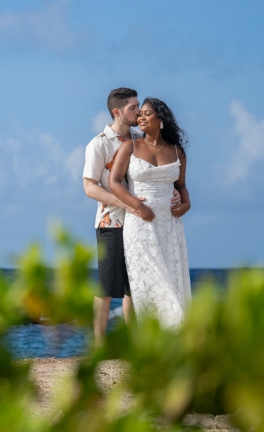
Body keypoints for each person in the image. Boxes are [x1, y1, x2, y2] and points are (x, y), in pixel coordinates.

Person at [83, 88, 162, 346]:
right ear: (117, 112)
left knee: (134, 287)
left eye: (139, 106)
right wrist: (126, 204)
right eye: (133, 107)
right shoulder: (99, 144)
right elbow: (89, 187)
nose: (139, 112)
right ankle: (98, 347)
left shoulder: (141, 139)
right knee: (106, 288)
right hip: (112, 223)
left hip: (141, 222)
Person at [108, 97, 191, 328]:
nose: (141, 117)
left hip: (170, 226)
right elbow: (114, 182)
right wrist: (138, 206)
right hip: (139, 225)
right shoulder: (130, 147)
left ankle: (175, 334)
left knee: (172, 280)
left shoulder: (177, 152)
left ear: (161, 119)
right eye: (140, 114)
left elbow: (181, 186)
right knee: (148, 281)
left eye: (147, 113)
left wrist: (186, 205)